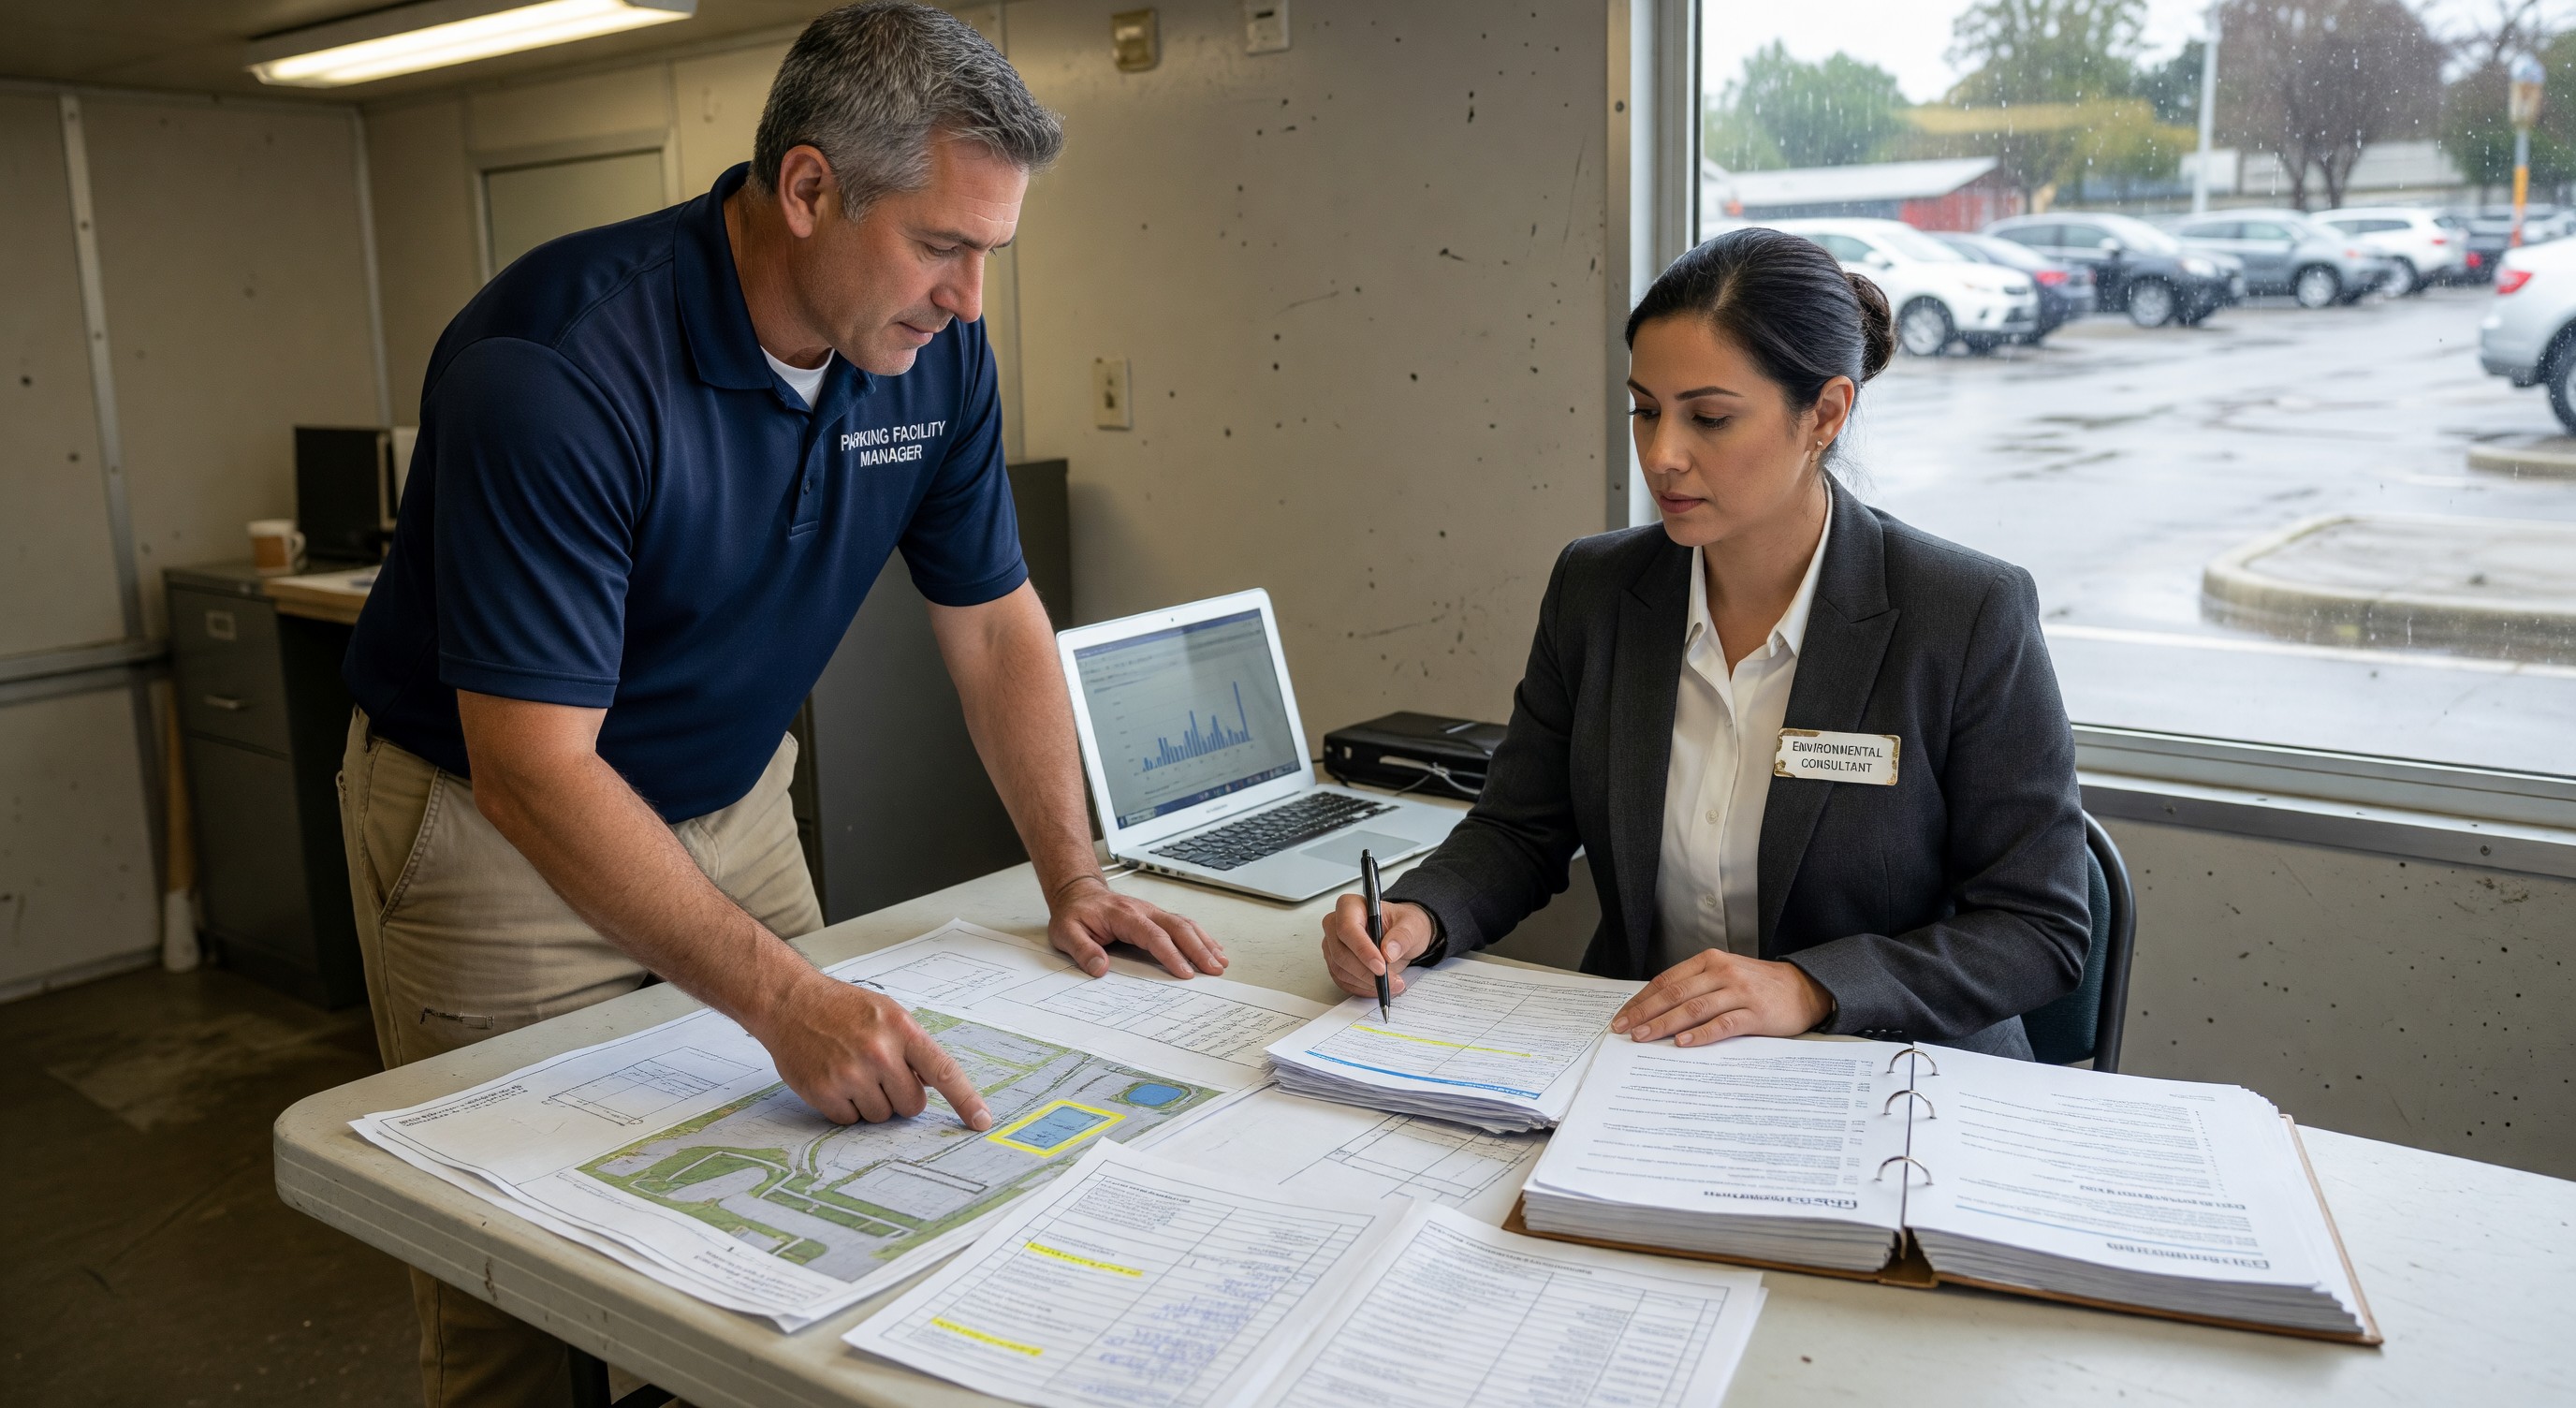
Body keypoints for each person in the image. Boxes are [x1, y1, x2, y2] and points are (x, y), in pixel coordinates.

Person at [335, 6, 1219, 1403]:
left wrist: (1075, 871)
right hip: (495, 833)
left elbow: (993, 624)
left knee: (809, 1213)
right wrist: (782, 997)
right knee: (514, 1277)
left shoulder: (933, 356)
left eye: (990, 253)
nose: (969, 300)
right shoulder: (559, 370)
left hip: (736, 801)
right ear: (808, 191)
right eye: (942, 245)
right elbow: (534, 770)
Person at [1322, 227, 2088, 1057]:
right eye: (1645, 410)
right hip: (1647, 1064)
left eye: (1710, 418)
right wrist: (1420, 917)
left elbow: (2037, 929)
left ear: (1825, 414)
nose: (1662, 456)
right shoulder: (1598, 589)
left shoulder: (1966, 612)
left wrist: (1809, 986)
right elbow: (1520, 828)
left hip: (1886, 1071)